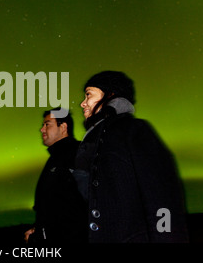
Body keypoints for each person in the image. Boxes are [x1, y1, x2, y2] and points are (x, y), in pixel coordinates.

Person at [74, 71, 189, 242]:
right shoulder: (92, 142)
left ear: (110, 94)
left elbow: (162, 197)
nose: (83, 103)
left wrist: (166, 238)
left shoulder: (133, 130)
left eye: (88, 94)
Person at [24, 108, 87, 243]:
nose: (42, 129)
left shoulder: (76, 155)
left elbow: (78, 209)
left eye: (47, 124)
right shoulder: (56, 158)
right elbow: (54, 206)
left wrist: (41, 238)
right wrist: (39, 229)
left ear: (63, 127)